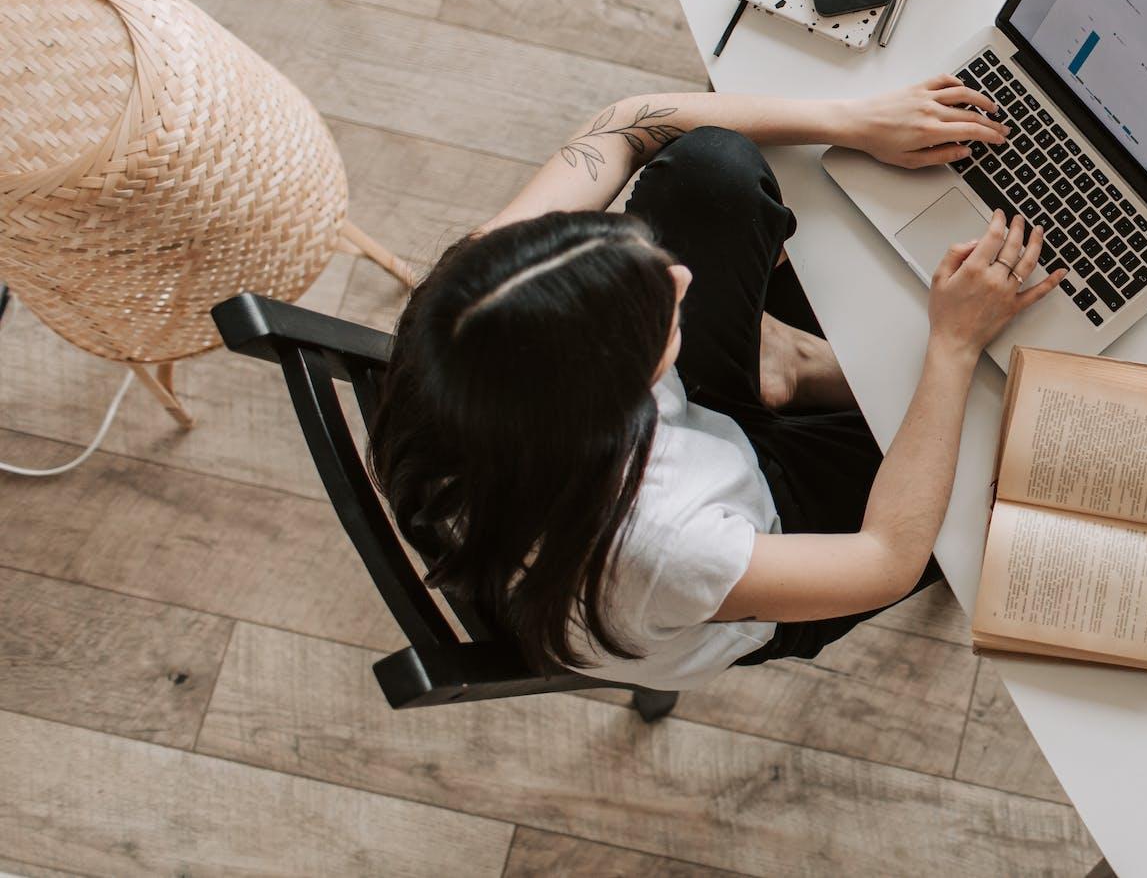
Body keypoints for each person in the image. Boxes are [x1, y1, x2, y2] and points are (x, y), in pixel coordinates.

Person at [369, 77, 1065, 690]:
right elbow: (885, 558)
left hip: (657, 453)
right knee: (1007, 454)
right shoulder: (667, 545)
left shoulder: (478, 303)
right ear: (617, 402)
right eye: (657, 316)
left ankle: (784, 366)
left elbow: (623, 124)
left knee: (709, 167)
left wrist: (852, 119)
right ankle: (796, 368)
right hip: (765, 539)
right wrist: (951, 346)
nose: (680, 277)